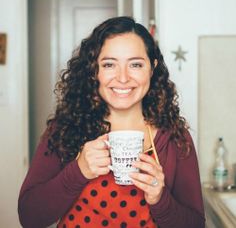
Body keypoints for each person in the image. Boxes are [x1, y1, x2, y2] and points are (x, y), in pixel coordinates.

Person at [18, 16, 205, 228]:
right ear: (93, 70)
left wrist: (160, 198)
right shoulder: (66, 128)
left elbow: (196, 224)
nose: (123, 78)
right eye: (109, 64)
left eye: (135, 64)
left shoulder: (175, 138)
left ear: (152, 68)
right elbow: (29, 217)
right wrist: (79, 171)